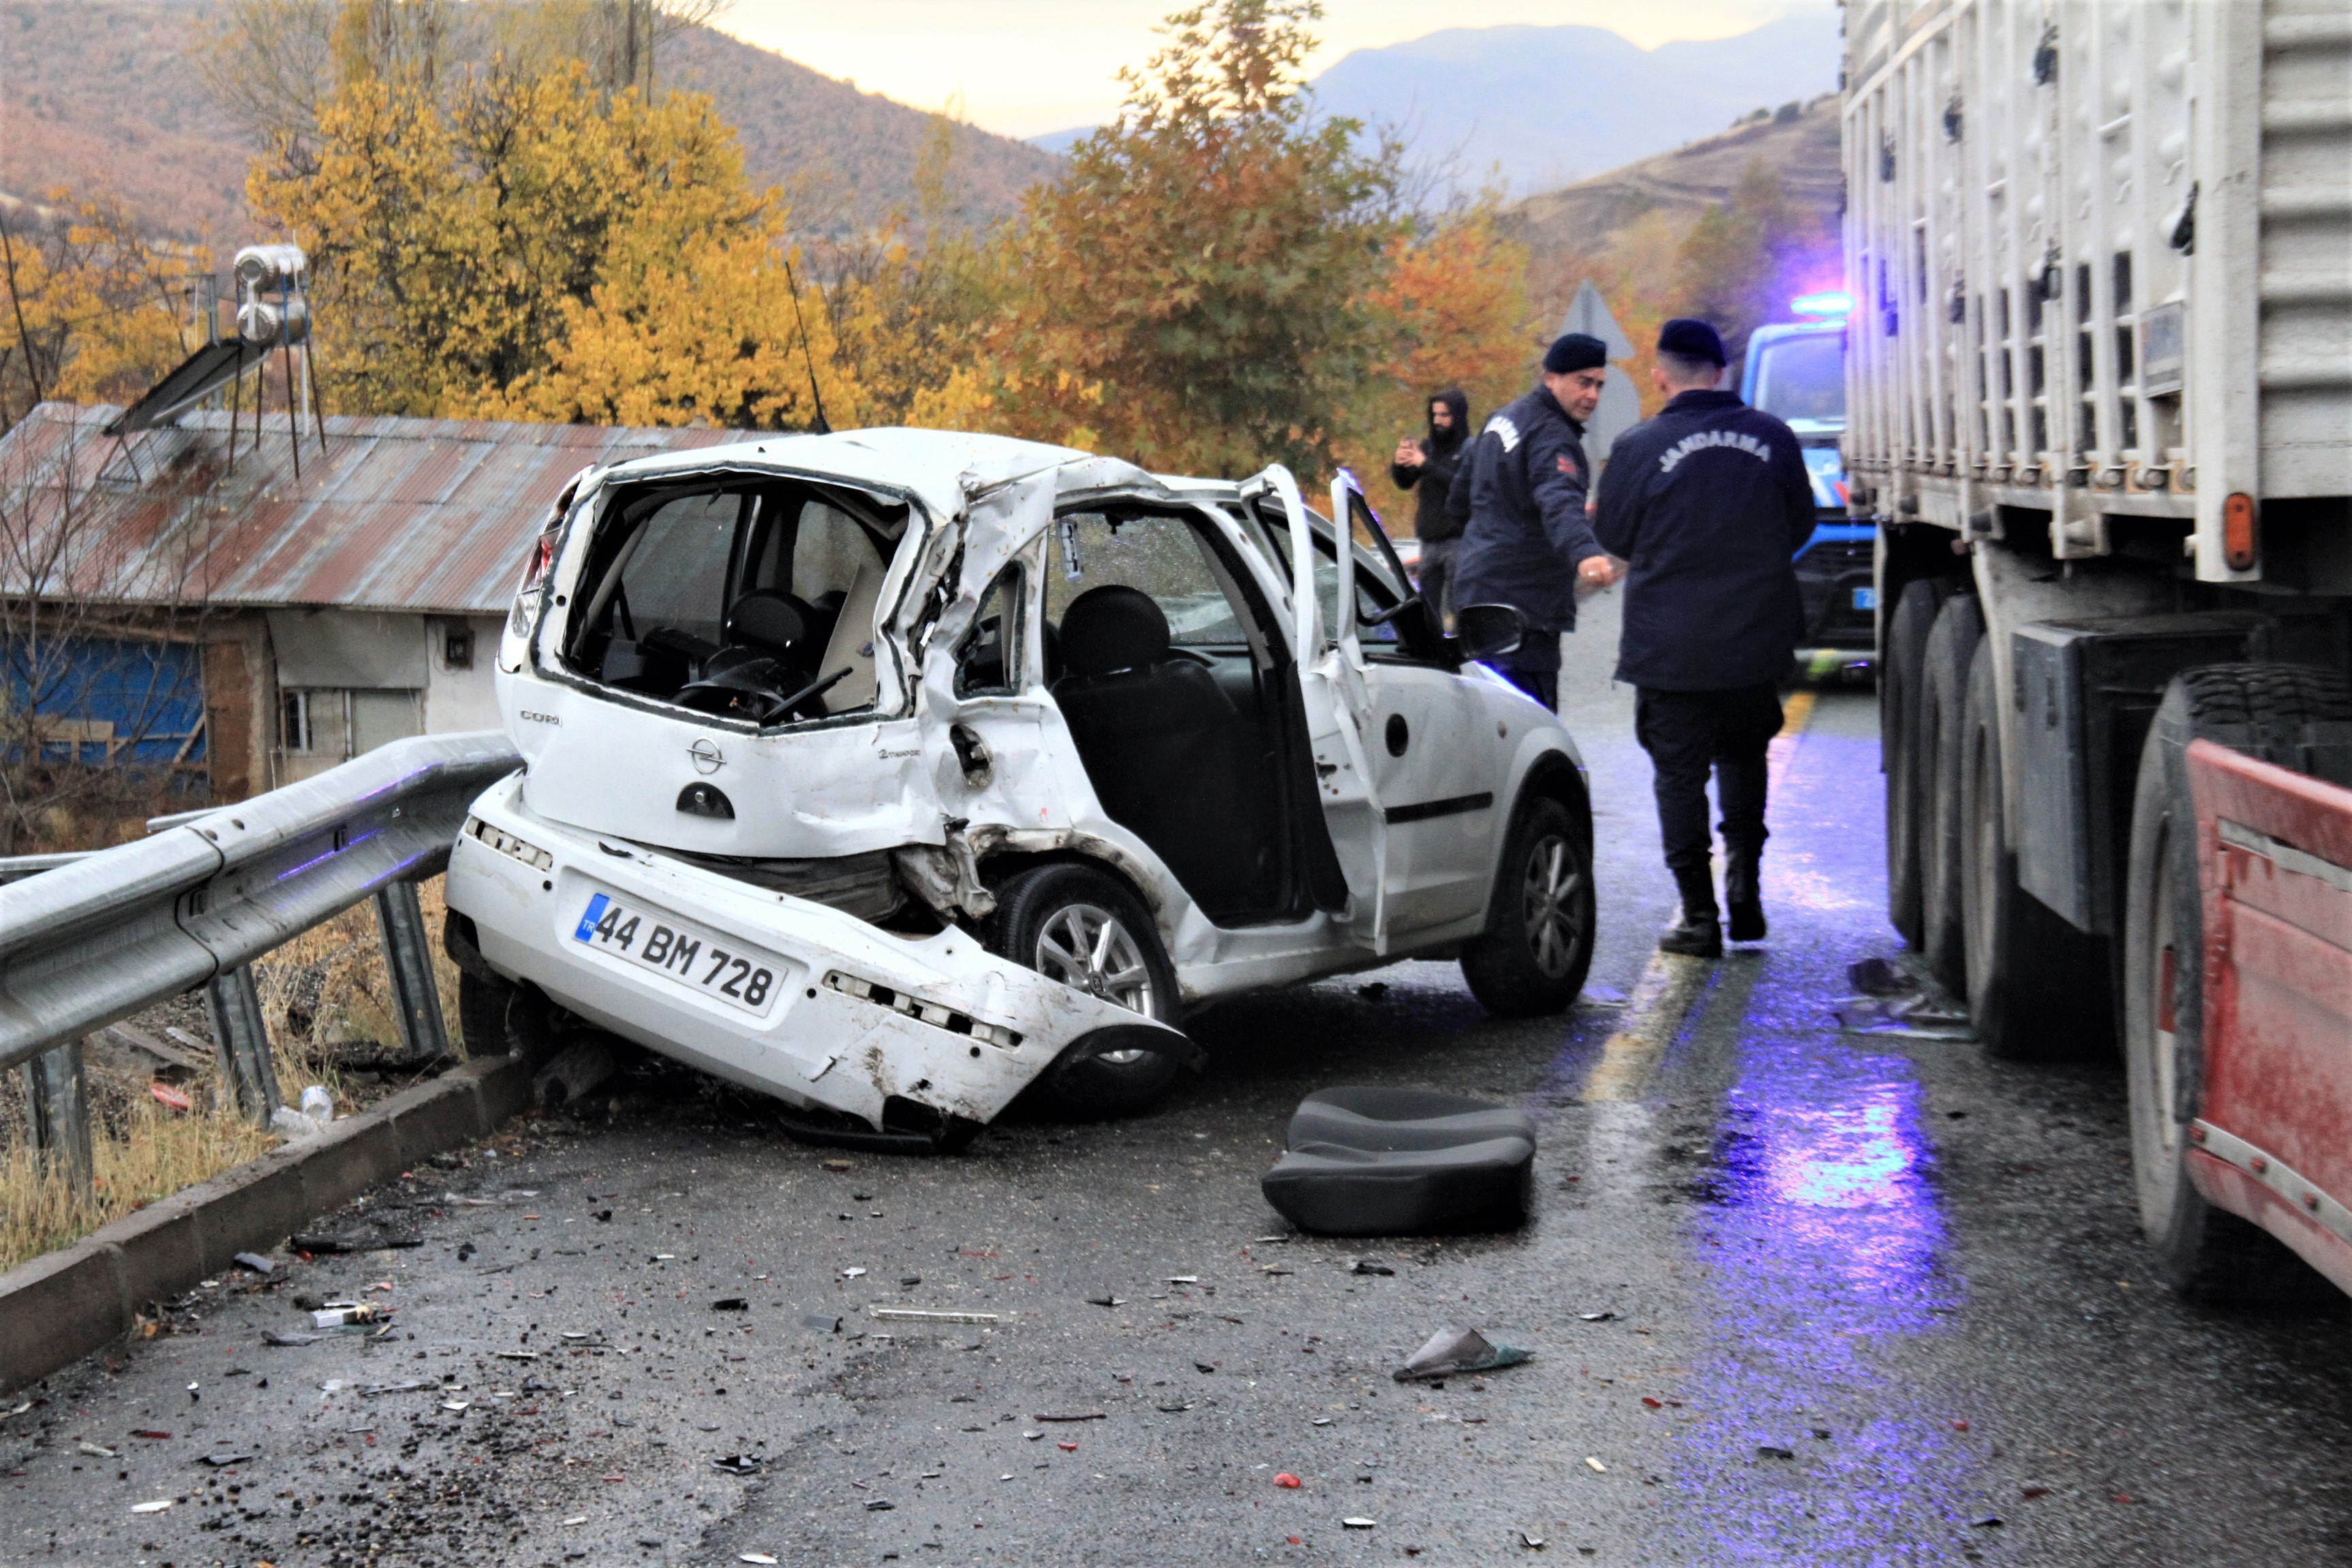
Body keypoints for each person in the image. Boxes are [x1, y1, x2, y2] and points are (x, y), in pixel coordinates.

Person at [1592, 317, 1816, 958]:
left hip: (1671, 645)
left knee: (1679, 775)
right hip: (1753, 637)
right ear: (1722, 373)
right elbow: (1797, 522)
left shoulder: (1638, 447)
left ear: (1661, 375)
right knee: (1744, 756)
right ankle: (1745, 885)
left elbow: (1614, 537)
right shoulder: (1773, 438)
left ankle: (1698, 915)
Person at [1448, 333, 1618, 712]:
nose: (1592, 395)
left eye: (1599, 386)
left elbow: (1458, 501)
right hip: (1523, 614)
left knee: (1481, 724)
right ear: (1551, 378)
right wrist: (1585, 553)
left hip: (1475, 597)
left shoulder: (1502, 418)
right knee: (1529, 732)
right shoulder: (1552, 437)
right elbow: (1559, 500)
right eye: (1583, 382)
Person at [1390, 389, 1470, 627]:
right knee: (1428, 611)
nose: (1438, 421)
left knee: (1458, 609)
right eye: (1435, 415)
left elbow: (1462, 487)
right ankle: (1435, 655)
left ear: (1457, 416)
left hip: (1458, 541)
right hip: (1429, 543)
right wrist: (1400, 465)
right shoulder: (1429, 447)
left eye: (1445, 415)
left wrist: (1426, 465)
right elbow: (1405, 482)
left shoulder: (1469, 449)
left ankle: (1463, 652)